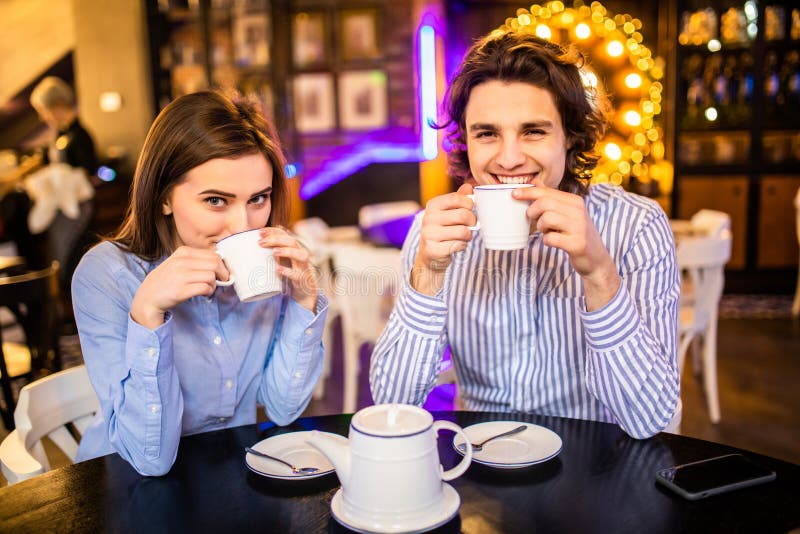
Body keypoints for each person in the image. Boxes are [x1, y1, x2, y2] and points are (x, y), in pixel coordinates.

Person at [369, 31, 680, 439]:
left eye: (533, 131)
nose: (510, 158)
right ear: (466, 139)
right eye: (487, 133)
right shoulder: (436, 232)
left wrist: (600, 275)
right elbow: (394, 405)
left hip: (594, 461)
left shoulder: (637, 226)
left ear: (569, 136)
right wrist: (427, 273)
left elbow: (649, 419)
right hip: (480, 464)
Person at [72, 91, 328, 475]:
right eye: (216, 201)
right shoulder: (107, 276)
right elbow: (149, 460)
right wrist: (147, 314)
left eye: (258, 198)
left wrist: (304, 300)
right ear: (163, 197)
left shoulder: (267, 262)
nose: (243, 226)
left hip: (227, 472)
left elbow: (282, 407)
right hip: (119, 486)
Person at [28, 76, 98, 290]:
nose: (44, 117)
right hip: (61, 211)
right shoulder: (59, 134)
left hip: (78, 209)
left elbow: (90, 173)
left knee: (73, 259)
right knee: (59, 257)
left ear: (58, 105)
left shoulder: (80, 135)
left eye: (45, 110)